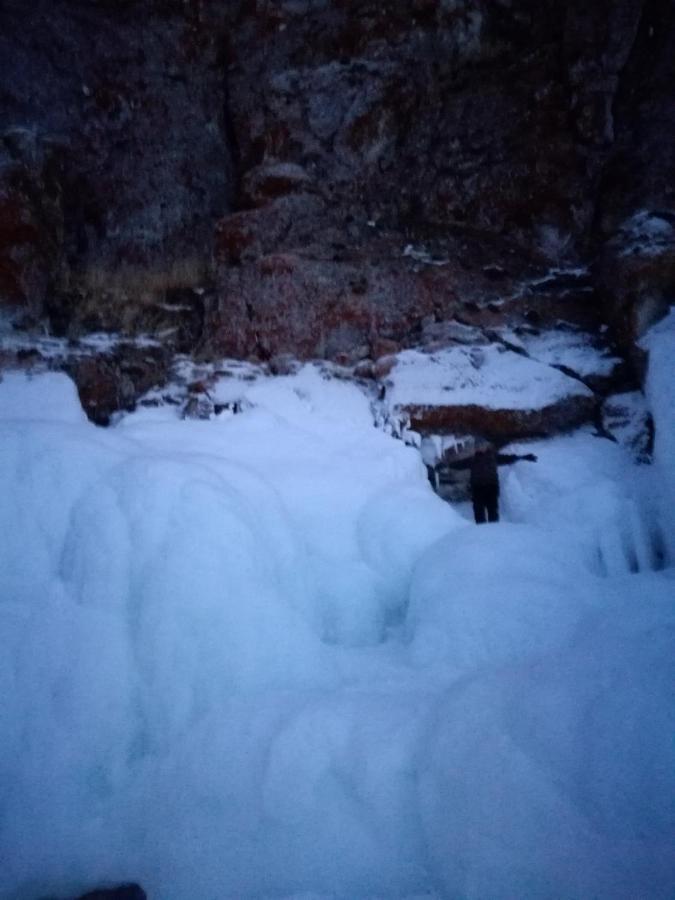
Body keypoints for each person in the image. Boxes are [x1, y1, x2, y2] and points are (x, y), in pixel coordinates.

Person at [447, 438, 537, 524]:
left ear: (486, 446)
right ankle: (481, 531)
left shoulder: (493, 457)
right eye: (476, 446)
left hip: (491, 487)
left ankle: (494, 531)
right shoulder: (472, 459)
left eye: (480, 445)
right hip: (477, 488)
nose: (478, 448)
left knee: (492, 510)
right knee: (478, 511)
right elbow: (459, 464)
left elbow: (508, 459)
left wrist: (523, 457)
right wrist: (447, 465)